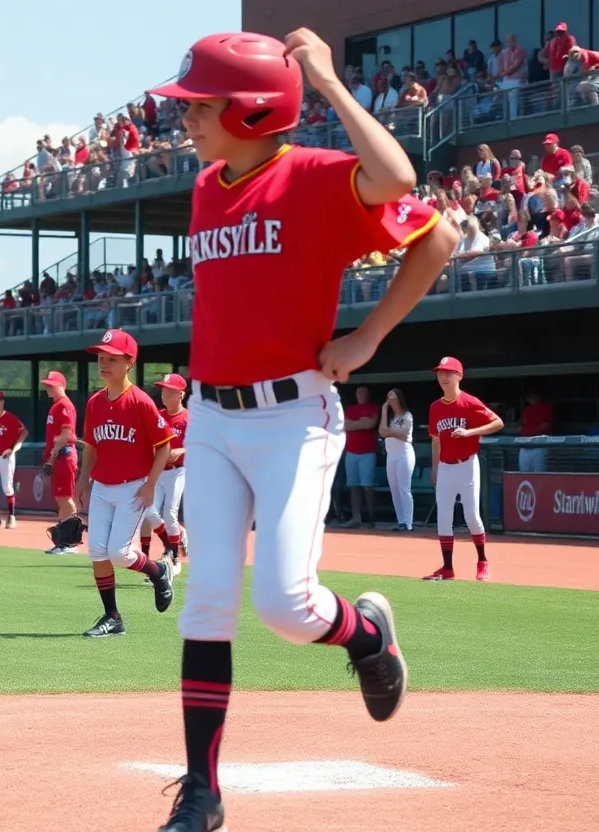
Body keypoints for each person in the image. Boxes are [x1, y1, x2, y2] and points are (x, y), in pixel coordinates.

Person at [144, 29, 459, 831]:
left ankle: (366, 637)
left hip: (293, 416)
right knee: (207, 602)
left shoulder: (318, 178)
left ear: (252, 111)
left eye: (201, 105)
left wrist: (369, 338)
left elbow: (426, 217)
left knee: (286, 606)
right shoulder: (209, 186)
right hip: (213, 416)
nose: (187, 118)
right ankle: (203, 794)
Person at [75, 329, 176, 637]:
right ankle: (112, 617)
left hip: (132, 486)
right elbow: (92, 445)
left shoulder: (140, 402)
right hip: (102, 488)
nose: (103, 364)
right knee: (97, 552)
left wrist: (150, 485)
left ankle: (159, 572)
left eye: (112, 359)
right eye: (101, 359)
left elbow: (165, 446)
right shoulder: (95, 402)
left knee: (119, 553)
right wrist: (82, 479)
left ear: (129, 362)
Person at [424, 357, 504, 582]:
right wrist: (435, 467)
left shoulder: (469, 402)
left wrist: (470, 432)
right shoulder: (435, 407)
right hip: (446, 467)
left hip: (467, 464)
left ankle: (482, 561)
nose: (443, 377)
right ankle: (447, 568)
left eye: (449, 372)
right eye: (440, 373)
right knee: (444, 517)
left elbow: (498, 423)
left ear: (459, 376)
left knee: (471, 515)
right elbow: (435, 439)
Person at [141, 373, 190, 574]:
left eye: (169, 391)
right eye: (163, 390)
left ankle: (174, 558)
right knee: (148, 511)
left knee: (169, 515)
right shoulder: (158, 416)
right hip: (158, 472)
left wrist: (183, 450)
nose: (164, 395)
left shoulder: (188, 417)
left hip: (178, 472)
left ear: (181, 394)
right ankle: (173, 542)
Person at [40, 370, 79, 554]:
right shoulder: (56, 406)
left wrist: (52, 456)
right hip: (59, 457)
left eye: (51, 384)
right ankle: (64, 540)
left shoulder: (64, 405)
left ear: (61, 386)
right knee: (60, 498)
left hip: (64, 456)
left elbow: (65, 435)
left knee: (65, 497)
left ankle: (71, 543)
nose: (47, 387)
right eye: (47, 384)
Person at [0, 390, 27, 528]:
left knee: (7, 487)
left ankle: (11, 516)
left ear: (2, 402)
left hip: (6, 457)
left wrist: (15, 448)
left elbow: (24, 432)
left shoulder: (10, 418)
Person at [342, 385, 379, 526]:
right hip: (351, 452)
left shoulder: (373, 408)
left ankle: (371, 517)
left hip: (368, 453)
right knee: (353, 486)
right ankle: (356, 518)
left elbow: (370, 424)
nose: (360, 395)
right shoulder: (351, 409)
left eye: (363, 392)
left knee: (367, 486)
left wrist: (355, 424)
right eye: (358, 392)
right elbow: (345, 426)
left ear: (368, 394)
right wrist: (361, 423)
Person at [379, 389, 415, 531]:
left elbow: (404, 434)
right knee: (394, 488)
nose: (391, 402)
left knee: (404, 488)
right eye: (389, 399)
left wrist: (390, 432)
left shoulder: (407, 416)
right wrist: (383, 410)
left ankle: (408, 522)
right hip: (391, 455)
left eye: (393, 399)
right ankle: (401, 521)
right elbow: (382, 431)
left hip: (404, 454)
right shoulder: (391, 418)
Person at [517, 387, 553, 472]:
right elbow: (519, 428)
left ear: (539, 395)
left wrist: (527, 432)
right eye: (528, 396)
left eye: (532, 395)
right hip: (525, 445)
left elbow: (545, 426)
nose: (530, 397)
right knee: (524, 473)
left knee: (540, 473)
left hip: (539, 445)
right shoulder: (526, 410)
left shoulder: (546, 407)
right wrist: (526, 432)